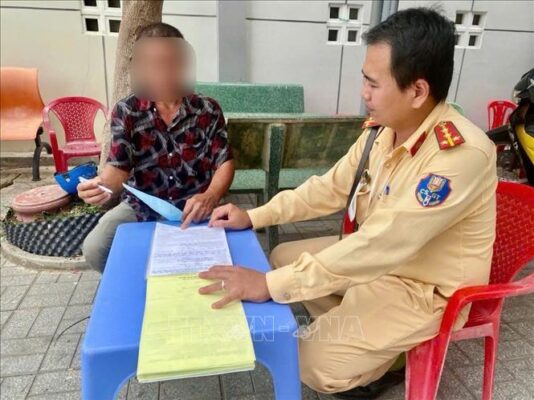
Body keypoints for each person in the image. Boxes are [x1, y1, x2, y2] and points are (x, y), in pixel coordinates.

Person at [198, 8, 497, 399]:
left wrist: (267, 286)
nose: (363, 93)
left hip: (423, 287)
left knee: (307, 361)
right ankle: (361, 337)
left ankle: (390, 360)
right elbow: (328, 188)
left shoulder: (459, 154)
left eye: (373, 83)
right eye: (363, 79)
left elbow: (383, 243)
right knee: (284, 256)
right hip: (381, 263)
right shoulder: (383, 131)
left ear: (418, 91)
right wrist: (253, 216)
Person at [78, 22, 234, 273]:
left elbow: (224, 162)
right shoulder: (127, 111)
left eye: (170, 62)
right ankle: (136, 285)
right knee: (96, 248)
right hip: (142, 206)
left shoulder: (207, 109)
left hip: (196, 207)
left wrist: (211, 195)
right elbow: (118, 169)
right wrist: (101, 187)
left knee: (226, 253)